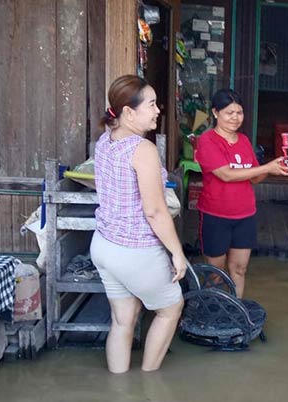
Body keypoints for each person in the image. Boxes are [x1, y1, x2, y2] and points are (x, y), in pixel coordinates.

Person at [90, 75, 186, 374]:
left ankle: (119, 388)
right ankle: (147, 383)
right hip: (135, 252)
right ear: (129, 113)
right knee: (170, 310)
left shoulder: (105, 140)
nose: (158, 111)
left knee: (123, 318)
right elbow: (155, 211)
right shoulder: (141, 150)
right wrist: (177, 253)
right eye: (152, 104)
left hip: (104, 245)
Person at [195, 89, 288, 298]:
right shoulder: (207, 141)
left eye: (239, 112)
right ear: (215, 113)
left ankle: (235, 309)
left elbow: (254, 178)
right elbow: (226, 175)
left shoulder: (244, 141)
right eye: (229, 112)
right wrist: (266, 168)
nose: (235, 118)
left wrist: (276, 165)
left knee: (239, 269)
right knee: (216, 274)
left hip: (245, 215)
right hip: (216, 215)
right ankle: (212, 310)